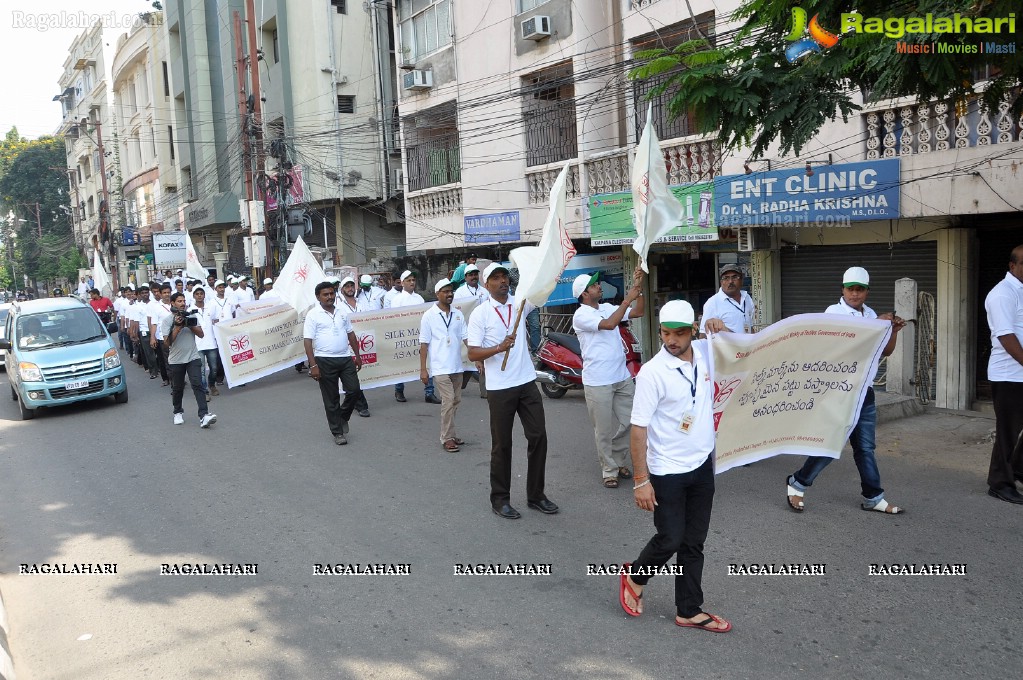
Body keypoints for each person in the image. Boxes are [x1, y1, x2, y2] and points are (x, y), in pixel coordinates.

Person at [619, 300, 731, 633]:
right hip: (666, 469)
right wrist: (641, 480)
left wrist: (725, 330)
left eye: (679, 333)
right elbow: (638, 427)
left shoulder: (707, 352)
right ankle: (635, 576)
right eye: (666, 333)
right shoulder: (653, 372)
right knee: (670, 538)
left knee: (694, 542)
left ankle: (688, 610)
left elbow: (748, 351)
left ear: (692, 330)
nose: (671, 340)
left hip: (701, 465)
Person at [785, 266, 906, 514]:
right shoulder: (834, 313)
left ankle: (873, 496)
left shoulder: (870, 314)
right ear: (842, 289)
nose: (855, 294)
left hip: (865, 391)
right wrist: (876, 324)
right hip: (840, 391)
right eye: (850, 289)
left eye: (860, 289)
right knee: (831, 444)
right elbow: (845, 345)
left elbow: (886, 351)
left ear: (867, 292)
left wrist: (891, 331)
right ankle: (797, 483)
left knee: (865, 448)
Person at [467, 263, 558, 519]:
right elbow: (473, 352)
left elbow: (541, 292)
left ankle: (536, 495)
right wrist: (497, 348)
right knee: (502, 445)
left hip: (527, 382)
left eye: (504, 276)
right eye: (495, 278)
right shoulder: (480, 314)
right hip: (499, 389)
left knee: (538, 436)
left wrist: (552, 270)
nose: (502, 281)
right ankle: (500, 500)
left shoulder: (520, 303)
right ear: (487, 285)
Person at [572, 267, 645, 488]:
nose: (599, 286)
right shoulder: (581, 315)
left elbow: (638, 312)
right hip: (597, 381)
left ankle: (618, 459)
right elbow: (610, 324)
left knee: (632, 422)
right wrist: (627, 300)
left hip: (621, 376)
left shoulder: (606, 307)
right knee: (602, 430)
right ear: (584, 294)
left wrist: (637, 290)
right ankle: (609, 470)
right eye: (594, 285)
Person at [983, 245, 1023, 504]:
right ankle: (999, 483)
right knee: (1008, 431)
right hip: (1009, 376)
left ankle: (1018, 470)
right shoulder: (1002, 294)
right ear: (1013, 266)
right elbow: (1006, 336)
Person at [303, 281, 365, 446]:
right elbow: (308, 341)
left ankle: (342, 417)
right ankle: (337, 432)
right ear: (318, 297)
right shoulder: (313, 314)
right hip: (324, 360)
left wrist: (357, 355)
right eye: (326, 294)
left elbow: (351, 335)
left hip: (345, 358)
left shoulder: (342, 312)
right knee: (331, 399)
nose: (330, 297)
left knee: (354, 390)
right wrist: (313, 365)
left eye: (331, 293)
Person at [421, 278, 475, 451]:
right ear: (438, 294)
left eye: (451, 291)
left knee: (456, 400)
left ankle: (450, 433)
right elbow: (424, 344)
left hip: (456, 366)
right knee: (448, 400)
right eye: (445, 291)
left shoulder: (458, 314)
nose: (449, 294)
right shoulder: (429, 316)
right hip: (440, 367)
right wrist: (424, 369)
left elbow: (466, 338)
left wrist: (478, 359)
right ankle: (446, 438)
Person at [162, 292, 217, 427]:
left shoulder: (191, 316)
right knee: (178, 388)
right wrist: (177, 327)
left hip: (193, 357)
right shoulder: (168, 320)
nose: (182, 303)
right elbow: (167, 343)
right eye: (179, 301)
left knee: (198, 384)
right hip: (176, 360)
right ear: (173, 304)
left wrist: (189, 325)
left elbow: (201, 334)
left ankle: (204, 415)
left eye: (184, 301)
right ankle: (177, 412)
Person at [391, 270, 440, 404]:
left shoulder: (419, 298)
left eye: (413, 280)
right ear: (402, 283)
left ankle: (429, 392)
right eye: (409, 280)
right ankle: (399, 389)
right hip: (404, 337)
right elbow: (394, 319)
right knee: (402, 363)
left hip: (419, 335)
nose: (412, 283)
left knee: (426, 362)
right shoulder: (397, 300)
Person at [700, 264, 755, 336]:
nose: (730, 281)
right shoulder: (713, 303)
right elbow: (703, 335)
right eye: (726, 278)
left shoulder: (747, 297)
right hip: (727, 347)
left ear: (741, 280)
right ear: (721, 282)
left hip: (748, 345)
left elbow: (750, 326)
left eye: (735, 277)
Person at [190, 286, 219, 401]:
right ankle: (205, 391)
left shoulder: (211, 307)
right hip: (198, 344)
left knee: (214, 368)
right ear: (194, 296)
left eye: (201, 293)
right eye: (197, 294)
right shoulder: (190, 310)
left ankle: (212, 384)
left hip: (211, 343)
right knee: (201, 370)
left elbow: (216, 322)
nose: (199, 295)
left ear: (204, 295)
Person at [148, 283, 173, 386]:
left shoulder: (175, 303)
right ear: (161, 294)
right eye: (164, 293)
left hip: (176, 336)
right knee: (167, 360)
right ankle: (172, 382)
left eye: (168, 292)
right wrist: (152, 337)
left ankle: (177, 378)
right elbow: (154, 324)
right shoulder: (156, 307)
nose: (167, 294)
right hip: (163, 337)